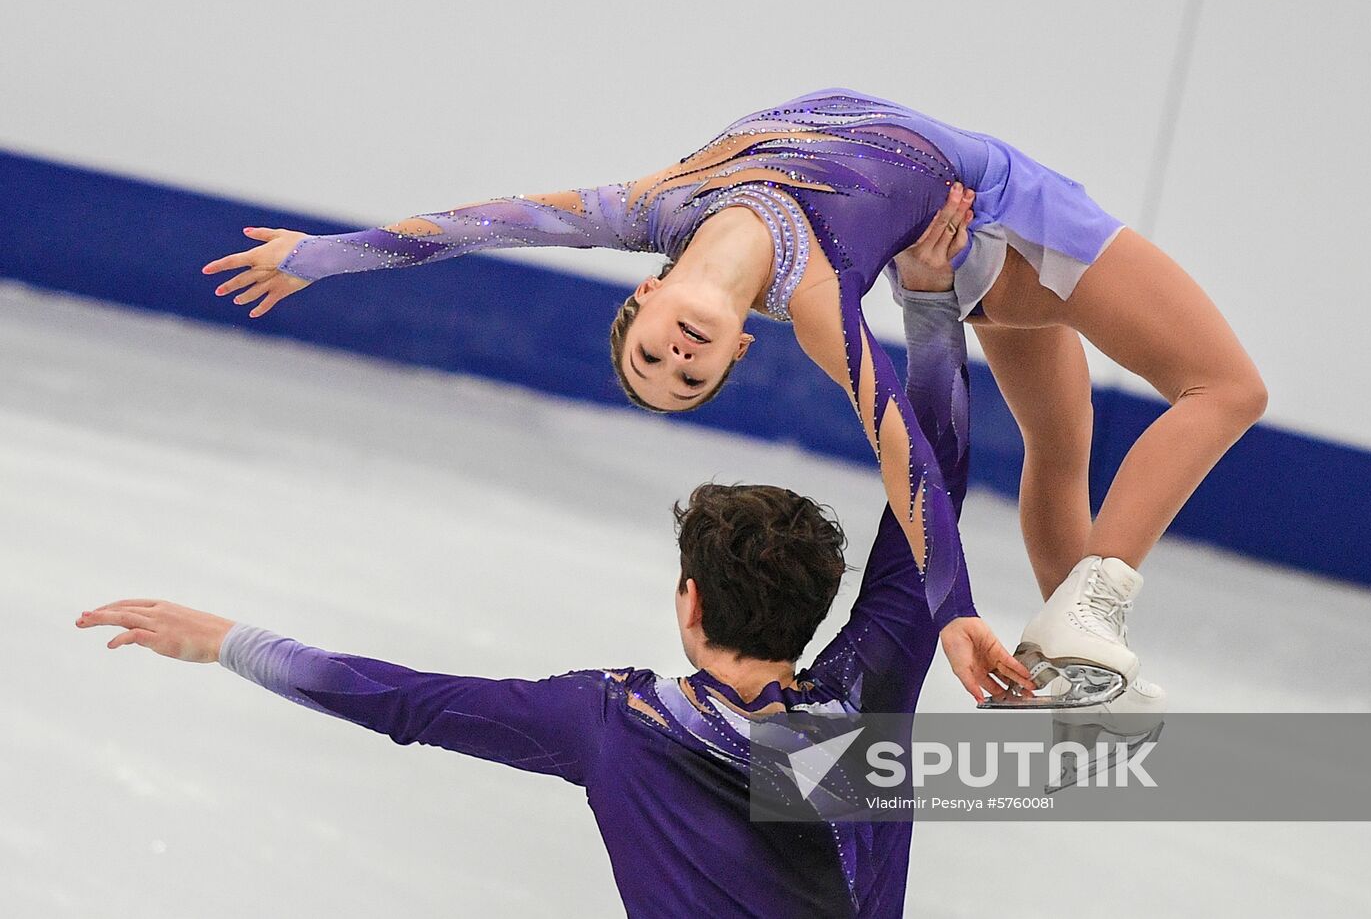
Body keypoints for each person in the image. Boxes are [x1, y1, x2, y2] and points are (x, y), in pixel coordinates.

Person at [203, 87, 1268, 706]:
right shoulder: (812, 299)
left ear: (648, 289)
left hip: (951, 238)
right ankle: (1092, 605)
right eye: (689, 377)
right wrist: (952, 613)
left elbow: (485, 222)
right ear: (732, 360)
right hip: (988, 201)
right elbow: (914, 453)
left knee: (1061, 440)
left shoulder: (647, 207)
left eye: (656, 356)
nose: (679, 358)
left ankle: (1066, 675)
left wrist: (320, 255)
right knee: (1222, 387)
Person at [76, 291, 1017, 918]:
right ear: (816, 604)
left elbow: (402, 700)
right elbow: (930, 485)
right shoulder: (869, 707)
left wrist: (224, 641)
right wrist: (934, 298)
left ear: (689, 604)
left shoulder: (617, 721)